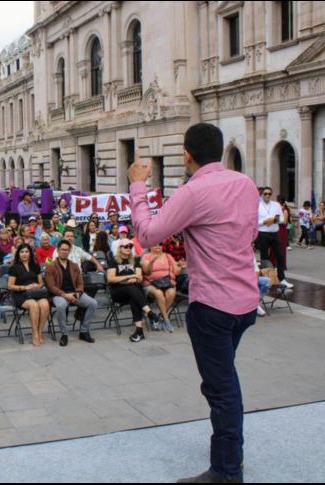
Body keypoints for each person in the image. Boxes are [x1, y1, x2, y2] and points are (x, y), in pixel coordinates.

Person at [128, 122, 259, 484]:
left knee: (221, 389)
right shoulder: (245, 184)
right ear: (220, 150)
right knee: (224, 381)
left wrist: (137, 185)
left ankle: (227, 471)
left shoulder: (193, 191)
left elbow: (147, 234)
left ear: (187, 155)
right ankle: (231, 453)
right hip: (245, 302)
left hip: (213, 306)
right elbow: (250, 233)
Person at [44, 240, 97, 347]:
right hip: (59, 295)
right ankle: (64, 334)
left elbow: (80, 283)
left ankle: (84, 331)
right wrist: (64, 295)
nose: (64, 252)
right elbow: (51, 286)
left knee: (93, 303)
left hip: (74, 293)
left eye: (66, 250)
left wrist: (78, 293)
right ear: (57, 250)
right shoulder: (51, 266)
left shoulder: (74, 266)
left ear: (69, 251)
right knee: (61, 306)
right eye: (62, 249)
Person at [106, 242, 160, 342]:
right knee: (131, 288)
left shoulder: (134, 260)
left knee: (134, 296)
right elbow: (111, 279)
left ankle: (139, 332)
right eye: (125, 246)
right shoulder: (114, 261)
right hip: (118, 291)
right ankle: (150, 313)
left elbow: (139, 277)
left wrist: (135, 279)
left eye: (130, 246)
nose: (128, 248)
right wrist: (130, 276)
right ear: (119, 248)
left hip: (134, 291)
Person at [8, 244, 51, 346]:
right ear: (18, 254)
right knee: (33, 305)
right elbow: (10, 286)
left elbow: (41, 283)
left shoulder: (35, 266)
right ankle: (34, 333)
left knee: (45, 304)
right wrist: (24, 287)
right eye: (22, 252)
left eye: (26, 252)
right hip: (20, 294)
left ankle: (40, 331)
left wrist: (37, 286)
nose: (24, 254)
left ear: (30, 253)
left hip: (35, 293)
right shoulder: (14, 267)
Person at [141, 244, 184, 333]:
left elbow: (176, 272)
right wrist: (151, 263)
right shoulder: (146, 257)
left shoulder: (168, 256)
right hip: (151, 284)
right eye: (155, 244)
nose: (158, 246)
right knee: (159, 293)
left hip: (167, 283)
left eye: (160, 244)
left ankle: (160, 317)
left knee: (171, 292)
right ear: (150, 246)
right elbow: (147, 272)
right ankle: (166, 320)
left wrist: (182, 268)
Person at [256, 187, 293, 289]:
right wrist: (264, 222)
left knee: (280, 256)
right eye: (265, 194)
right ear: (262, 195)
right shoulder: (257, 206)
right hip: (263, 233)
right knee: (264, 258)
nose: (267, 195)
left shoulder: (276, 205)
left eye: (269, 194)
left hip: (274, 233)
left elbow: (282, 218)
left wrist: (275, 220)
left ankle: (282, 278)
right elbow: (254, 221)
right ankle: (267, 278)